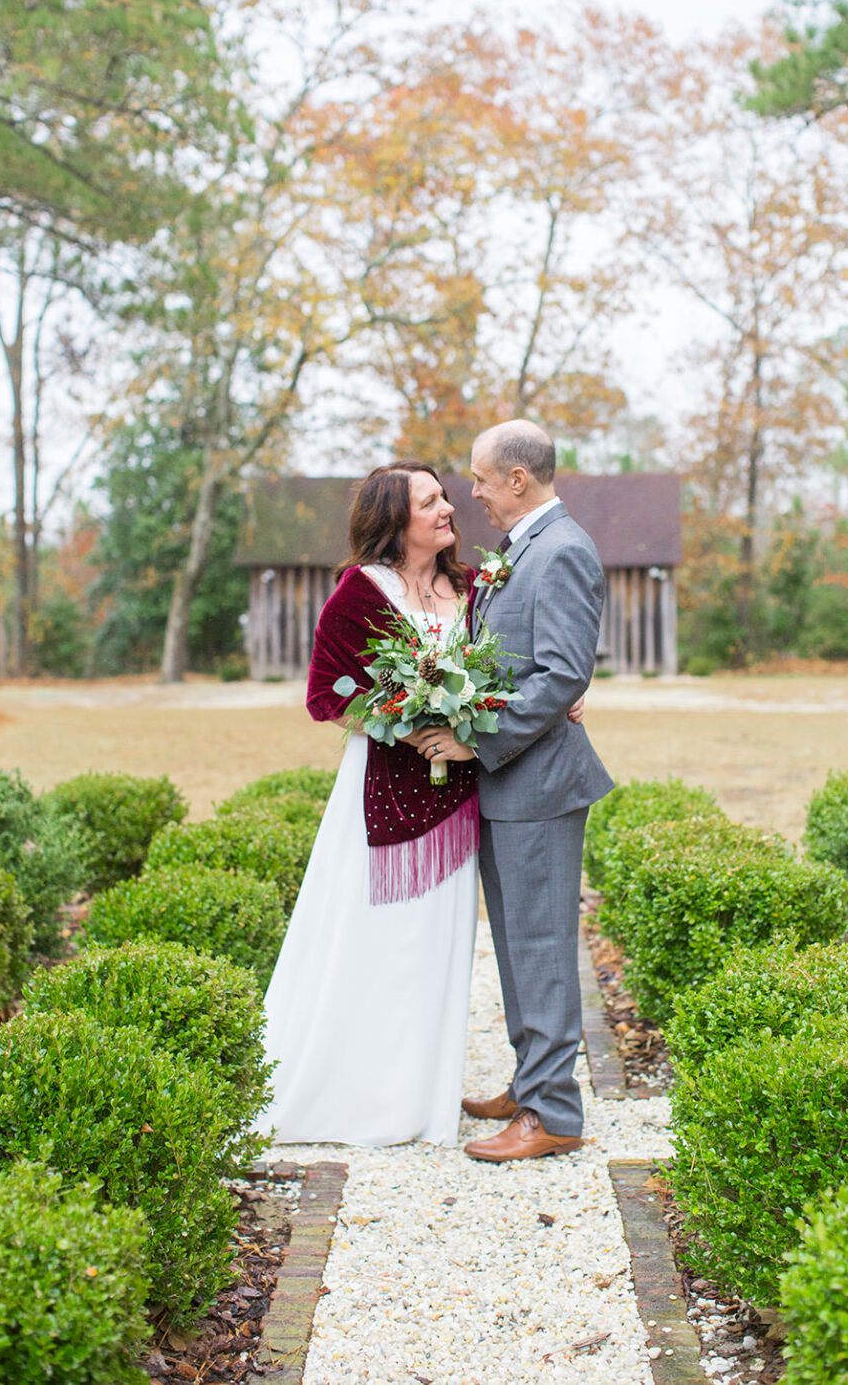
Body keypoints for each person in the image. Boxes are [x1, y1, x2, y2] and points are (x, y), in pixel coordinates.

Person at [252, 460, 480, 1148]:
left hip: (460, 793)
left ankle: (419, 1094)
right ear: (395, 518)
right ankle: (360, 1095)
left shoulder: (469, 586)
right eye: (430, 501)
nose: (447, 508)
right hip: (381, 788)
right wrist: (408, 722)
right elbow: (328, 693)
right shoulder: (361, 591)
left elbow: (511, 667)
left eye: (443, 496)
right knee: (378, 938)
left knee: (436, 944)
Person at [414, 421, 613, 1162]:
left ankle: (553, 1113)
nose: (473, 493)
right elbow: (525, 666)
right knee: (520, 945)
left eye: (481, 479)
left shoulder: (559, 550)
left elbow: (563, 674)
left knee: (540, 945)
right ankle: (535, 1081)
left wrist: (477, 738)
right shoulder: (522, 548)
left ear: (518, 480)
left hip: (538, 784)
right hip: (512, 785)